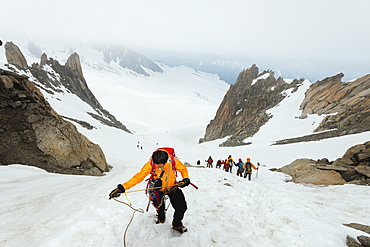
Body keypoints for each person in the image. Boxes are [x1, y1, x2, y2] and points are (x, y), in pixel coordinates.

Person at [109, 148, 191, 233]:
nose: (157, 167)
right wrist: (123, 187)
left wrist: (185, 178)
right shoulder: (150, 164)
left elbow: (183, 169)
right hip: (157, 189)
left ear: (166, 161)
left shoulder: (173, 161)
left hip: (172, 187)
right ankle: (161, 218)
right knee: (159, 207)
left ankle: (177, 224)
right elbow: (138, 177)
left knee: (182, 207)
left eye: (159, 165)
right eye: (156, 164)